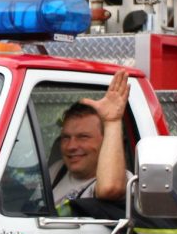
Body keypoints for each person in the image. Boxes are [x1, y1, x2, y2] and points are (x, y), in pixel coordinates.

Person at [50, 70, 129, 208]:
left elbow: (110, 189)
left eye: (83, 137)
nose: (71, 146)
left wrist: (112, 121)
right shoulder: (57, 171)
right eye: (66, 137)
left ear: (106, 141)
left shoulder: (122, 179)